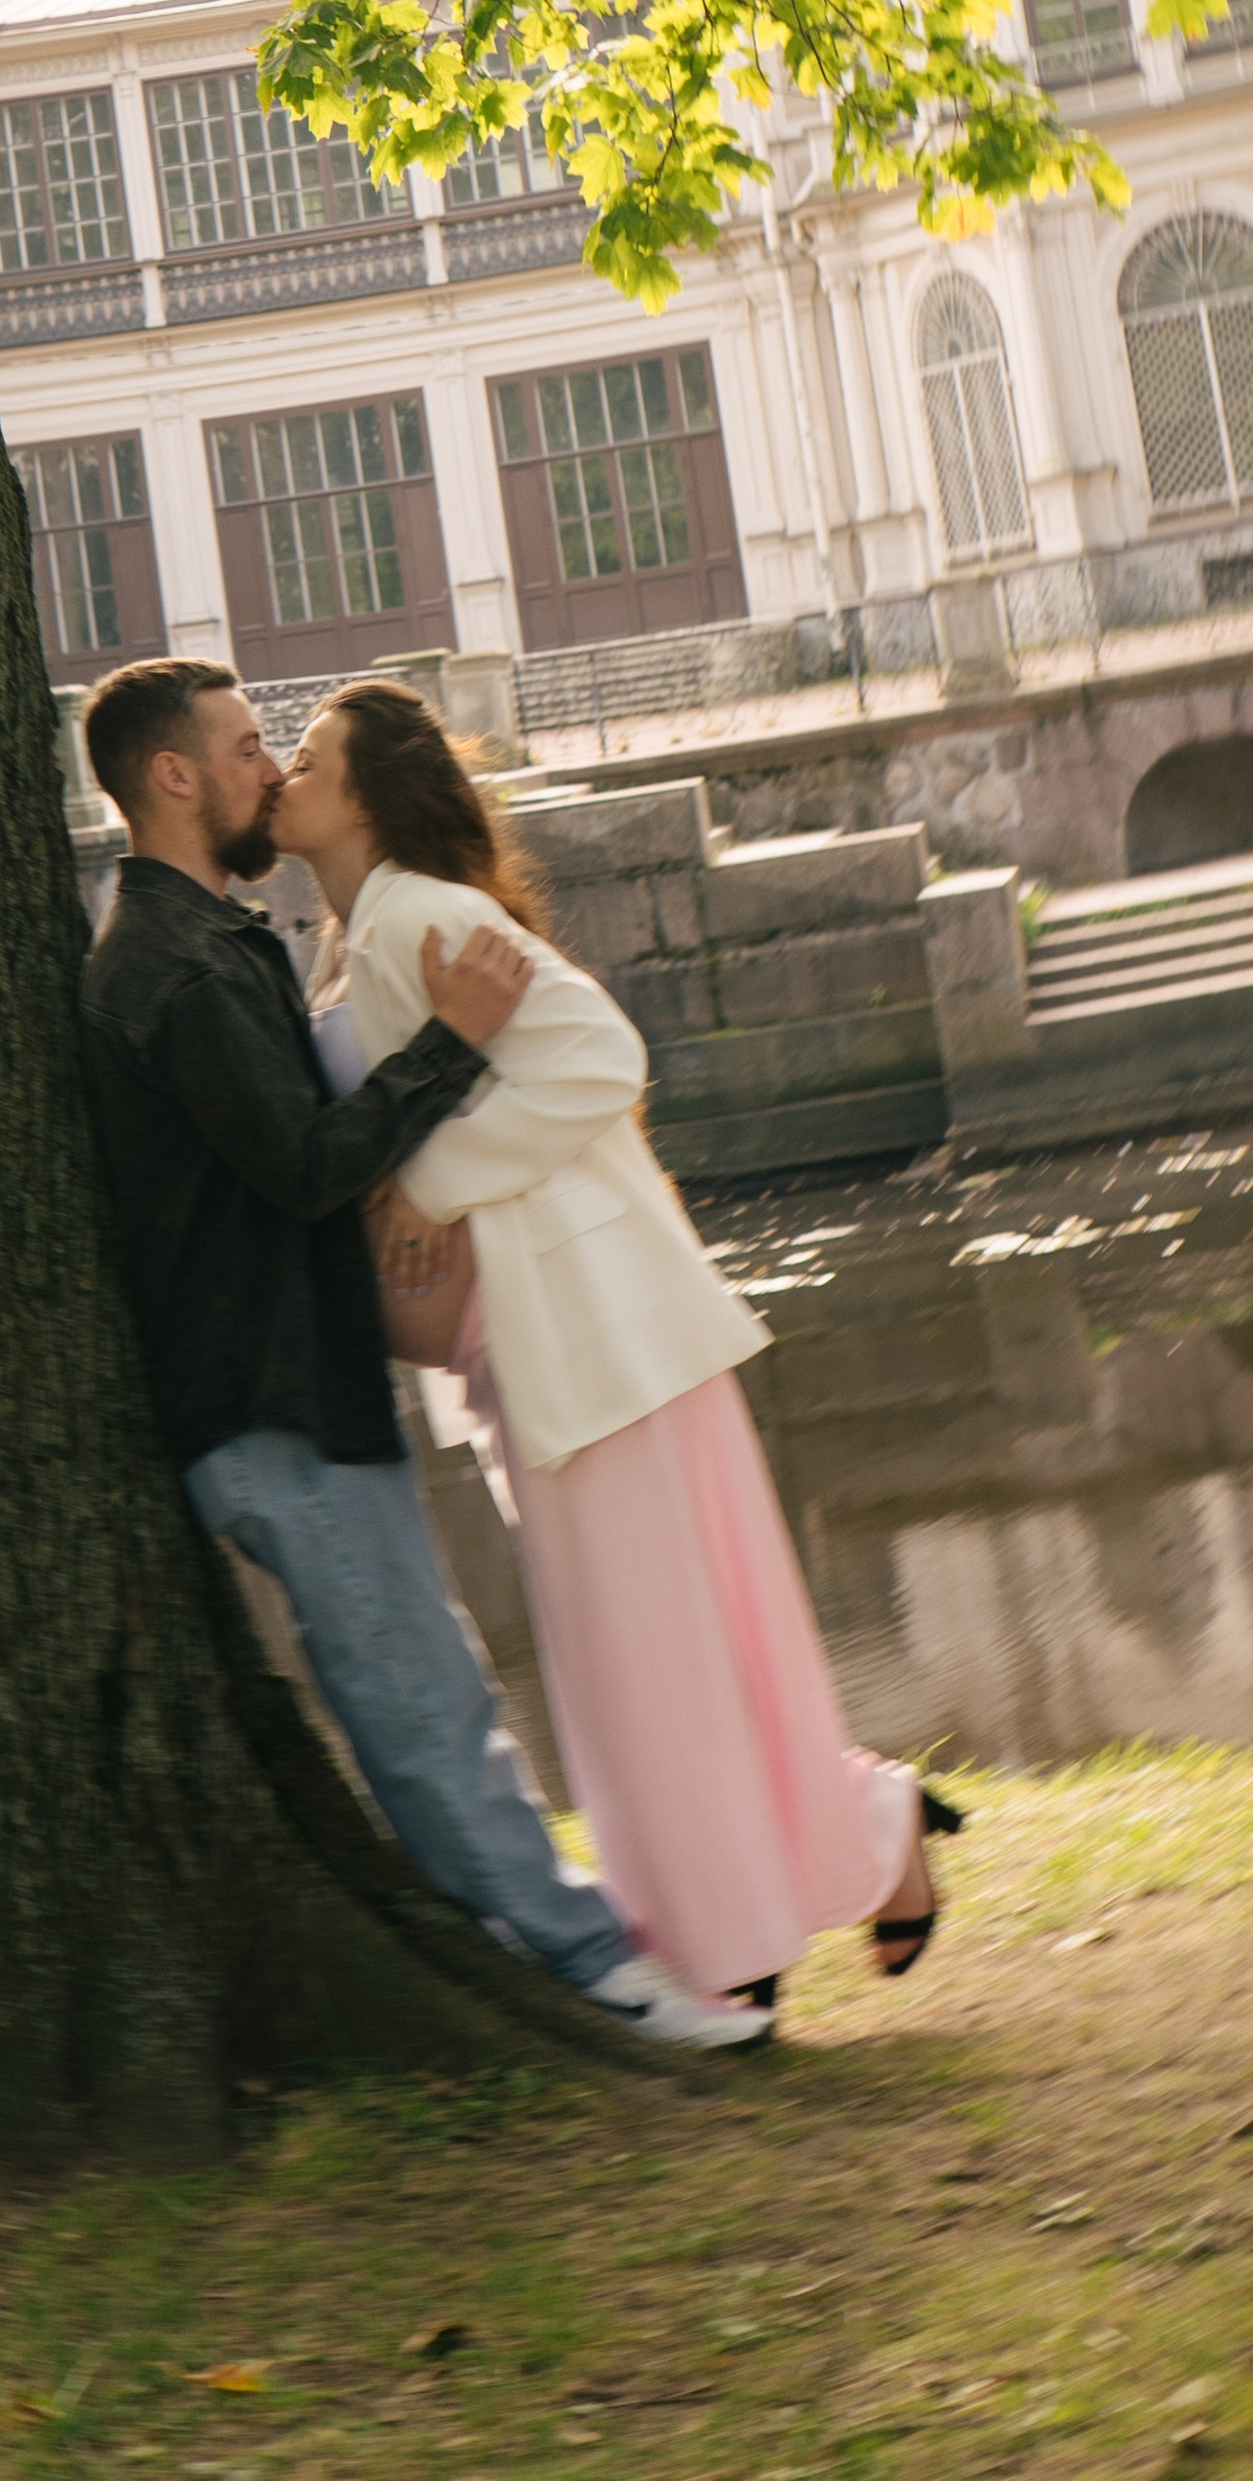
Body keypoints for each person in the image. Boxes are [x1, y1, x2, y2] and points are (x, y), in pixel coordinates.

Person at [77, 654, 771, 2050]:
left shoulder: (212, 940)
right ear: (172, 777)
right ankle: (602, 1976)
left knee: (428, 1690)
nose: (268, 769)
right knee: (425, 1708)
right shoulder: (169, 964)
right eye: (241, 747)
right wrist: (452, 1047)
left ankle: (573, 1953)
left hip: (303, 1390)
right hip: (269, 1403)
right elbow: (304, 1163)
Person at [273, 679, 961, 2014]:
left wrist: (433, 1184)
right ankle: (852, 1847)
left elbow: (598, 1052)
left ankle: (734, 1954)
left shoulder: (424, 912)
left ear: (365, 795)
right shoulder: (355, 937)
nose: (287, 773)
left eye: (307, 756)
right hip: (541, 1350)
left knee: (651, 1664)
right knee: (659, 1655)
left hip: (594, 1341)